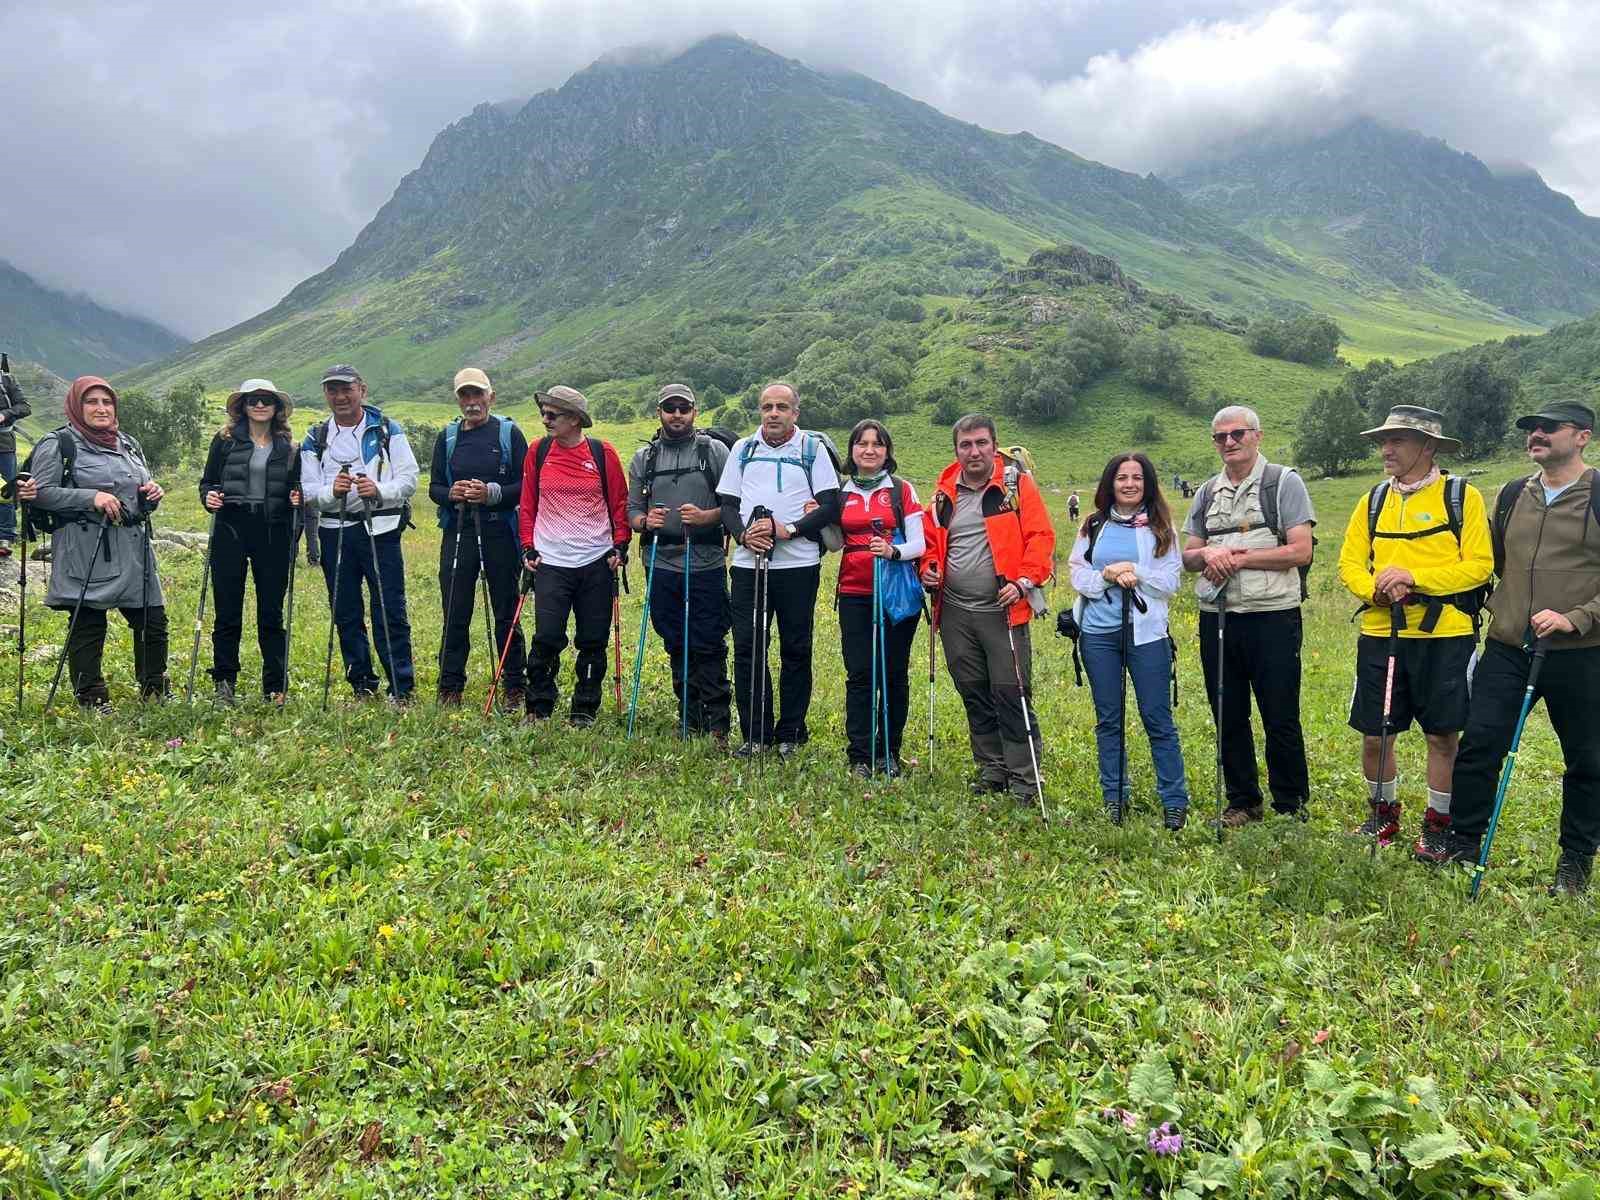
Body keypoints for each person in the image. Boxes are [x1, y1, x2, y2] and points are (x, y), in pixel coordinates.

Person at [1443, 401, 1600, 895]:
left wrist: (1575, 618)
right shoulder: (1513, 494)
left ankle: (1574, 863)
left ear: (1582, 436)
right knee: (1479, 745)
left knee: (1588, 759)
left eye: (1548, 428)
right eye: (1531, 428)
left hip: (1582, 652)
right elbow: (1492, 561)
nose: (1536, 434)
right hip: (1510, 645)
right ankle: (1462, 843)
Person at [1336, 406, 1491, 858]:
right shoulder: (1372, 500)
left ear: (1428, 447)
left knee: (1443, 735)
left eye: (1398, 440)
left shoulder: (1462, 497)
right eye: (1384, 440)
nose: (1386, 449)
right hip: (1381, 632)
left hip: (1446, 635)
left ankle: (1438, 824)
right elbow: (1349, 563)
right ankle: (1382, 817)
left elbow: (1479, 567)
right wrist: (1379, 591)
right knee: (1375, 732)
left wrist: (1413, 577)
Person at [1182, 404, 1315, 824]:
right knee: (1228, 711)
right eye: (1220, 437)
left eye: (1237, 434)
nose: (1229, 442)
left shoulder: (1283, 483)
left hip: (1272, 616)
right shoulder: (1206, 493)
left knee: (1280, 714)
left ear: (1257, 435)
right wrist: (1207, 553)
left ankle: (1290, 805)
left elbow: (1300, 550)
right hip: (1217, 617)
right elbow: (1188, 556)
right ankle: (1243, 802)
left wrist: (1238, 558)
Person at [920, 414, 1056, 802]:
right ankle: (992, 769)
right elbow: (933, 544)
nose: (974, 451)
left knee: (1011, 693)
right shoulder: (945, 492)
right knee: (974, 691)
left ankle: (1025, 779)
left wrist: (1023, 582)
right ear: (956, 450)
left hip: (1003, 607)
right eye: (966, 444)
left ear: (994, 446)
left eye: (981, 443)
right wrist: (928, 569)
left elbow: (1041, 536)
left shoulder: (1015, 486)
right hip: (956, 610)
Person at [717, 382, 841, 757]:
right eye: (767, 407)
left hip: (798, 564)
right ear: (760, 411)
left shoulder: (811, 449)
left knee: (796, 648)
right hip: (748, 565)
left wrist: (789, 530)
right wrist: (742, 536)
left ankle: (790, 732)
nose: (773, 413)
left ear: (795, 414)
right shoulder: (743, 449)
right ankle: (755, 735)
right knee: (748, 648)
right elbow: (726, 504)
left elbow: (830, 504)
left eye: (782, 407)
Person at [29, 376, 167, 707]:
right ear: (77, 406)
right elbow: (42, 493)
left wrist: (152, 493)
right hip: (86, 545)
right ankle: (91, 697)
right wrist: (91, 496)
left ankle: (154, 691)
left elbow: (139, 484)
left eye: (107, 402)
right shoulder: (59, 444)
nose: (101, 409)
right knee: (88, 623)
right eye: (92, 402)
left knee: (153, 619)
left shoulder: (128, 443)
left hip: (133, 546)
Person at [1069, 452, 1188, 828]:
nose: (1130, 484)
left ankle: (1174, 799)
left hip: (1147, 634)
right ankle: (1115, 797)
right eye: (1122, 477)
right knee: (1109, 718)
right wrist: (1106, 576)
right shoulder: (1093, 524)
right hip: (1098, 634)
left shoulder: (1160, 528)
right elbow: (1078, 573)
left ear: (1147, 483)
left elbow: (1170, 582)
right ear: (1111, 483)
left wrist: (1134, 571)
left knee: (1157, 717)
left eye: (1137, 477)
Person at [301, 364, 419, 703]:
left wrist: (379, 489)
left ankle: (402, 687)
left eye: (346, 389)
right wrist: (331, 493)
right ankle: (362, 684)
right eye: (332, 390)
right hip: (334, 530)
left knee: (390, 609)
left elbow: (409, 479)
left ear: (361, 390)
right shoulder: (316, 436)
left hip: (380, 529)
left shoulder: (386, 430)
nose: (339, 396)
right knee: (346, 611)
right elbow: (309, 490)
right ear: (326, 394)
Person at [518, 385, 630, 725]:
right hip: (551, 560)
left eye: (553, 414)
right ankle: (538, 706)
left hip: (595, 559)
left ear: (576, 420)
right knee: (547, 637)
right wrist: (527, 545)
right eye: (544, 413)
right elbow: (528, 504)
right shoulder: (538, 451)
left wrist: (620, 545)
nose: (545, 419)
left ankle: (584, 708)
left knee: (593, 639)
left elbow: (619, 503)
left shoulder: (602, 453)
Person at [626, 383, 732, 741]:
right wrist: (643, 523)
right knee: (675, 640)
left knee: (708, 639)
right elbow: (633, 509)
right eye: (669, 408)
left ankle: (717, 722)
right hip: (661, 561)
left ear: (694, 412)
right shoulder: (645, 458)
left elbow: (735, 506)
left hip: (705, 560)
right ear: (659, 412)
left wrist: (707, 517)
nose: (676, 415)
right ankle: (689, 717)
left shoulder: (713, 451)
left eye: (683, 408)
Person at [197, 379, 303, 704]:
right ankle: (224, 683)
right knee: (228, 610)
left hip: (273, 530)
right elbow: (208, 482)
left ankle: (275, 687)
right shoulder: (225, 441)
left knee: (271, 612)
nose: (259, 405)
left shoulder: (289, 446)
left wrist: (299, 497)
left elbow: (298, 486)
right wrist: (209, 497)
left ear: (276, 407)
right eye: (252, 400)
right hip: (231, 526)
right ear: (242, 406)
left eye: (266, 400)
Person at [427, 368, 528, 707]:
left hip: (499, 529)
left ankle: (515, 684)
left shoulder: (509, 434)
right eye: (465, 396)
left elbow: (526, 486)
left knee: (505, 609)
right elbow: (435, 488)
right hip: (459, 530)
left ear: (491, 396)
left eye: (477, 395)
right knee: (455, 609)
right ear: (458, 399)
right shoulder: (448, 436)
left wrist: (491, 493)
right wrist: (452, 493)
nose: (472, 403)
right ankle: (449, 685)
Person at [835, 419, 924, 777]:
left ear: (887, 451)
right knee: (859, 673)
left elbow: (919, 542)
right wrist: (820, 518)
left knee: (893, 673)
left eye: (877, 443)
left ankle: (888, 751)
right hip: (854, 591)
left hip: (894, 593)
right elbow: (832, 543)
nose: (869, 449)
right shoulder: (840, 492)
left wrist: (893, 551)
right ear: (852, 450)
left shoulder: (902, 490)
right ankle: (859, 755)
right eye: (862, 443)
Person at [0, 360, 33, 558]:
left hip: (3, 446)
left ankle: (4, 536)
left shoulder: (6, 380)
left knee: (5, 491)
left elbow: (25, 407)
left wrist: (4, 414)